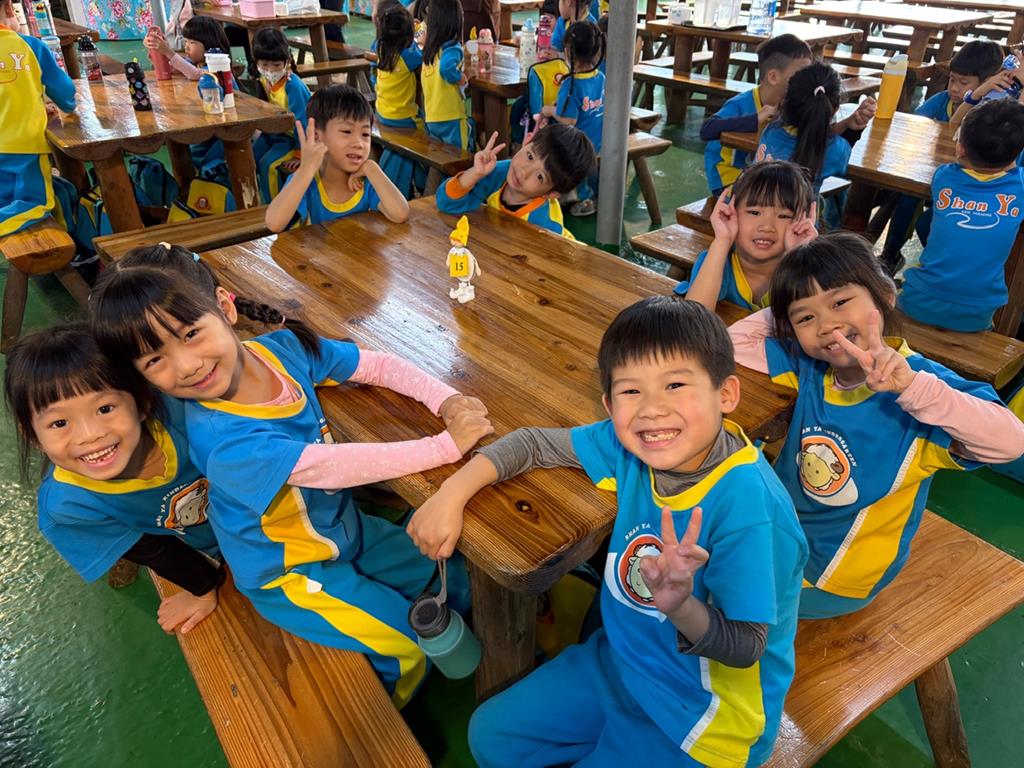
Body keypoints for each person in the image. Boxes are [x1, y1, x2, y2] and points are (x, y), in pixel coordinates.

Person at [407, 296, 807, 766]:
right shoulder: (630, 446)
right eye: (631, 391)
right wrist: (450, 495)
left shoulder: (751, 508)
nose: (652, 410)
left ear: (726, 394)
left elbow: (744, 647)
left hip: (701, 721)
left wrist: (681, 606)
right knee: (491, 736)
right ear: (609, 405)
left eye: (676, 384)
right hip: (624, 659)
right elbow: (533, 444)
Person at [89, 244, 495, 707]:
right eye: (153, 360)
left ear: (224, 306)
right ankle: (391, 721)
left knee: (458, 577)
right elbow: (333, 468)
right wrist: (445, 446)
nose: (187, 365)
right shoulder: (221, 438)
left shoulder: (281, 350)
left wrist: (446, 400)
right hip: (286, 572)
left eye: (191, 333)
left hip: (343, 531)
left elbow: (375, 365)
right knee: (406, 647)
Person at [721, 233, 1024, 619]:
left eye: (840, 302)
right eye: (806, 317)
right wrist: (795, 281)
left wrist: (913, 388)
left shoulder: (923, 391)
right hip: (781, 531)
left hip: (834, 573)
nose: (828, 325)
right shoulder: (811, 367)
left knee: (711, 591)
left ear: (885, 295)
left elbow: (1011, 442)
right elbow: (732, 342)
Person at [5, 323, 224, 635]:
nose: (90, 435)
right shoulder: (68, 505)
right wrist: (203, 589)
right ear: (33, 436)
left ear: (142, 400)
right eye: (59, 423)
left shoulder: (181, 409)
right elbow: (152, 549)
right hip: (213, 548)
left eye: (105, 408)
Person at [880, 40, 1007, 272]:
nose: (955, 88)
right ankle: (891, 254)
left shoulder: (991, 114)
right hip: (932, 174)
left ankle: (940, 266)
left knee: (928, 222)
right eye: (952, 80)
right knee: (907, 195)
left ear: (988, 83)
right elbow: (911, 126)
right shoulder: (942, 101)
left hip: (970, 188)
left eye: (963, 82)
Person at [898, 99, 1024, 332]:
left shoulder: (944, 176)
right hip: (978, 313)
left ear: (960, 147)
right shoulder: (1021, 185)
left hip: (918, 301)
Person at [265, 85, 410, 232]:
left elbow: (401, 214)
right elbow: (274, 224)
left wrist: (371, 167)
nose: (359, 144)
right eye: (347, 131)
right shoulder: (307, 181)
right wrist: (306, 169)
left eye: (365, 134)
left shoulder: (366, 182)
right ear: (317, 136)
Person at [679, 160, 817, 311]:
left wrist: (799, 256)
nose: (767, 227)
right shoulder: (717, 261)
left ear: (803, 221)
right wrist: (722, 240)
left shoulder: (807, 270)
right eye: (754, 212)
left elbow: (811, 315)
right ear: (731, 212)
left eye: (784, 216)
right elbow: (695, 316)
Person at [758, 63, 873, 229]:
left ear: (788, 100)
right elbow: (839, 161)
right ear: (835, 109)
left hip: (753, 222)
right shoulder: (836, 150)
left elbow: (811, 134)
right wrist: (853, 131)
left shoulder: (771, 130)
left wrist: (846, 123)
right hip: (799, 234)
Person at [701, 34, 813, 197]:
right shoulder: (741, 104)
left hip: (763, 176)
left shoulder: (795, 106)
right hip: (729, 178)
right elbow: (707, 130)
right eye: (802, 74)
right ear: (773, 77)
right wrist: (755, 119)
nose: (808, 81)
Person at [436, 125, 595, 238]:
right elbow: (446, 204)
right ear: (526, 141)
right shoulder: (498, 172)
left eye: (540, 176)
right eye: (530, 156)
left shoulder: (546, 226)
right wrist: (474, 174)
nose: (524, 171)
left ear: (551, 193)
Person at [0, 0, 76, 237]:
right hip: (24, 147)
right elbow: (64, 92)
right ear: (10, 8)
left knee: (5, 199)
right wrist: (68, 106)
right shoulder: (30, 46)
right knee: (37, 203)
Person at [540, 20, 604, 216]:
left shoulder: (571, 83)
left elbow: (569, 120)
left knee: (549, 140)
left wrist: (548, 111)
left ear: (567, 51)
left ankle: (581, 194)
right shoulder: (600, 77)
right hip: (599, 140)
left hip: (579, 146)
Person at [250, 27, 312, 204]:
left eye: (277, 65)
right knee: (249, 160)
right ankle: (255, 204)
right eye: (264, 65)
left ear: (287, 61)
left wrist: (300, 154)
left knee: (268, 165)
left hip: (296, 138)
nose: (270, 70)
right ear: (256, 62)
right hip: (276, 133)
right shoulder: (264, 80)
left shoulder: (293, 86)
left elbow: (302, 123)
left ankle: (276, 206)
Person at [372, 0, 427, 198]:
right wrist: (421, 34)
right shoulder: (408, 56)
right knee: (427, 134)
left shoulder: (379, 47)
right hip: (403, 118)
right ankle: (422, 181)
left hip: (382, 113)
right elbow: (423, 54)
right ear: (408, 35)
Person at [421, 0, 474, 150]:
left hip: (432, 117)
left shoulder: (430, 49)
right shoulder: (452, 47)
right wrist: (461, 77)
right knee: (459, 157)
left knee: (439, 156)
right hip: (452, 117)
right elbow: (446, 68)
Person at [145, 15, 231, 81]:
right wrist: (155, 50)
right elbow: (172, 69)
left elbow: (194, 74)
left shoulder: (217, 66)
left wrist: (168, 51)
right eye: (185, 41)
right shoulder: (194, 62)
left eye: (192, 42)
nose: (186, 46)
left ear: (209, 45)